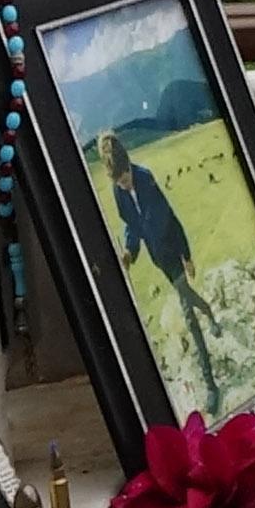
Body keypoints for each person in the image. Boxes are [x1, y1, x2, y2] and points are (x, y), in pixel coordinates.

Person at [98, 130, 221, 401]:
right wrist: (130, 253)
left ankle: (210, 384)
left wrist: (186, 256)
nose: (124, 184)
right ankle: (210, 313)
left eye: (125, 178)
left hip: (172, 252)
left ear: (128, 166)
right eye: (119, 182)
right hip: (158, 260)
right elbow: (132, 225)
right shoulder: (118, 191)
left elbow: (171, 219)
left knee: (187, 314)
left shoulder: (146, 179)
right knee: (186, 294)